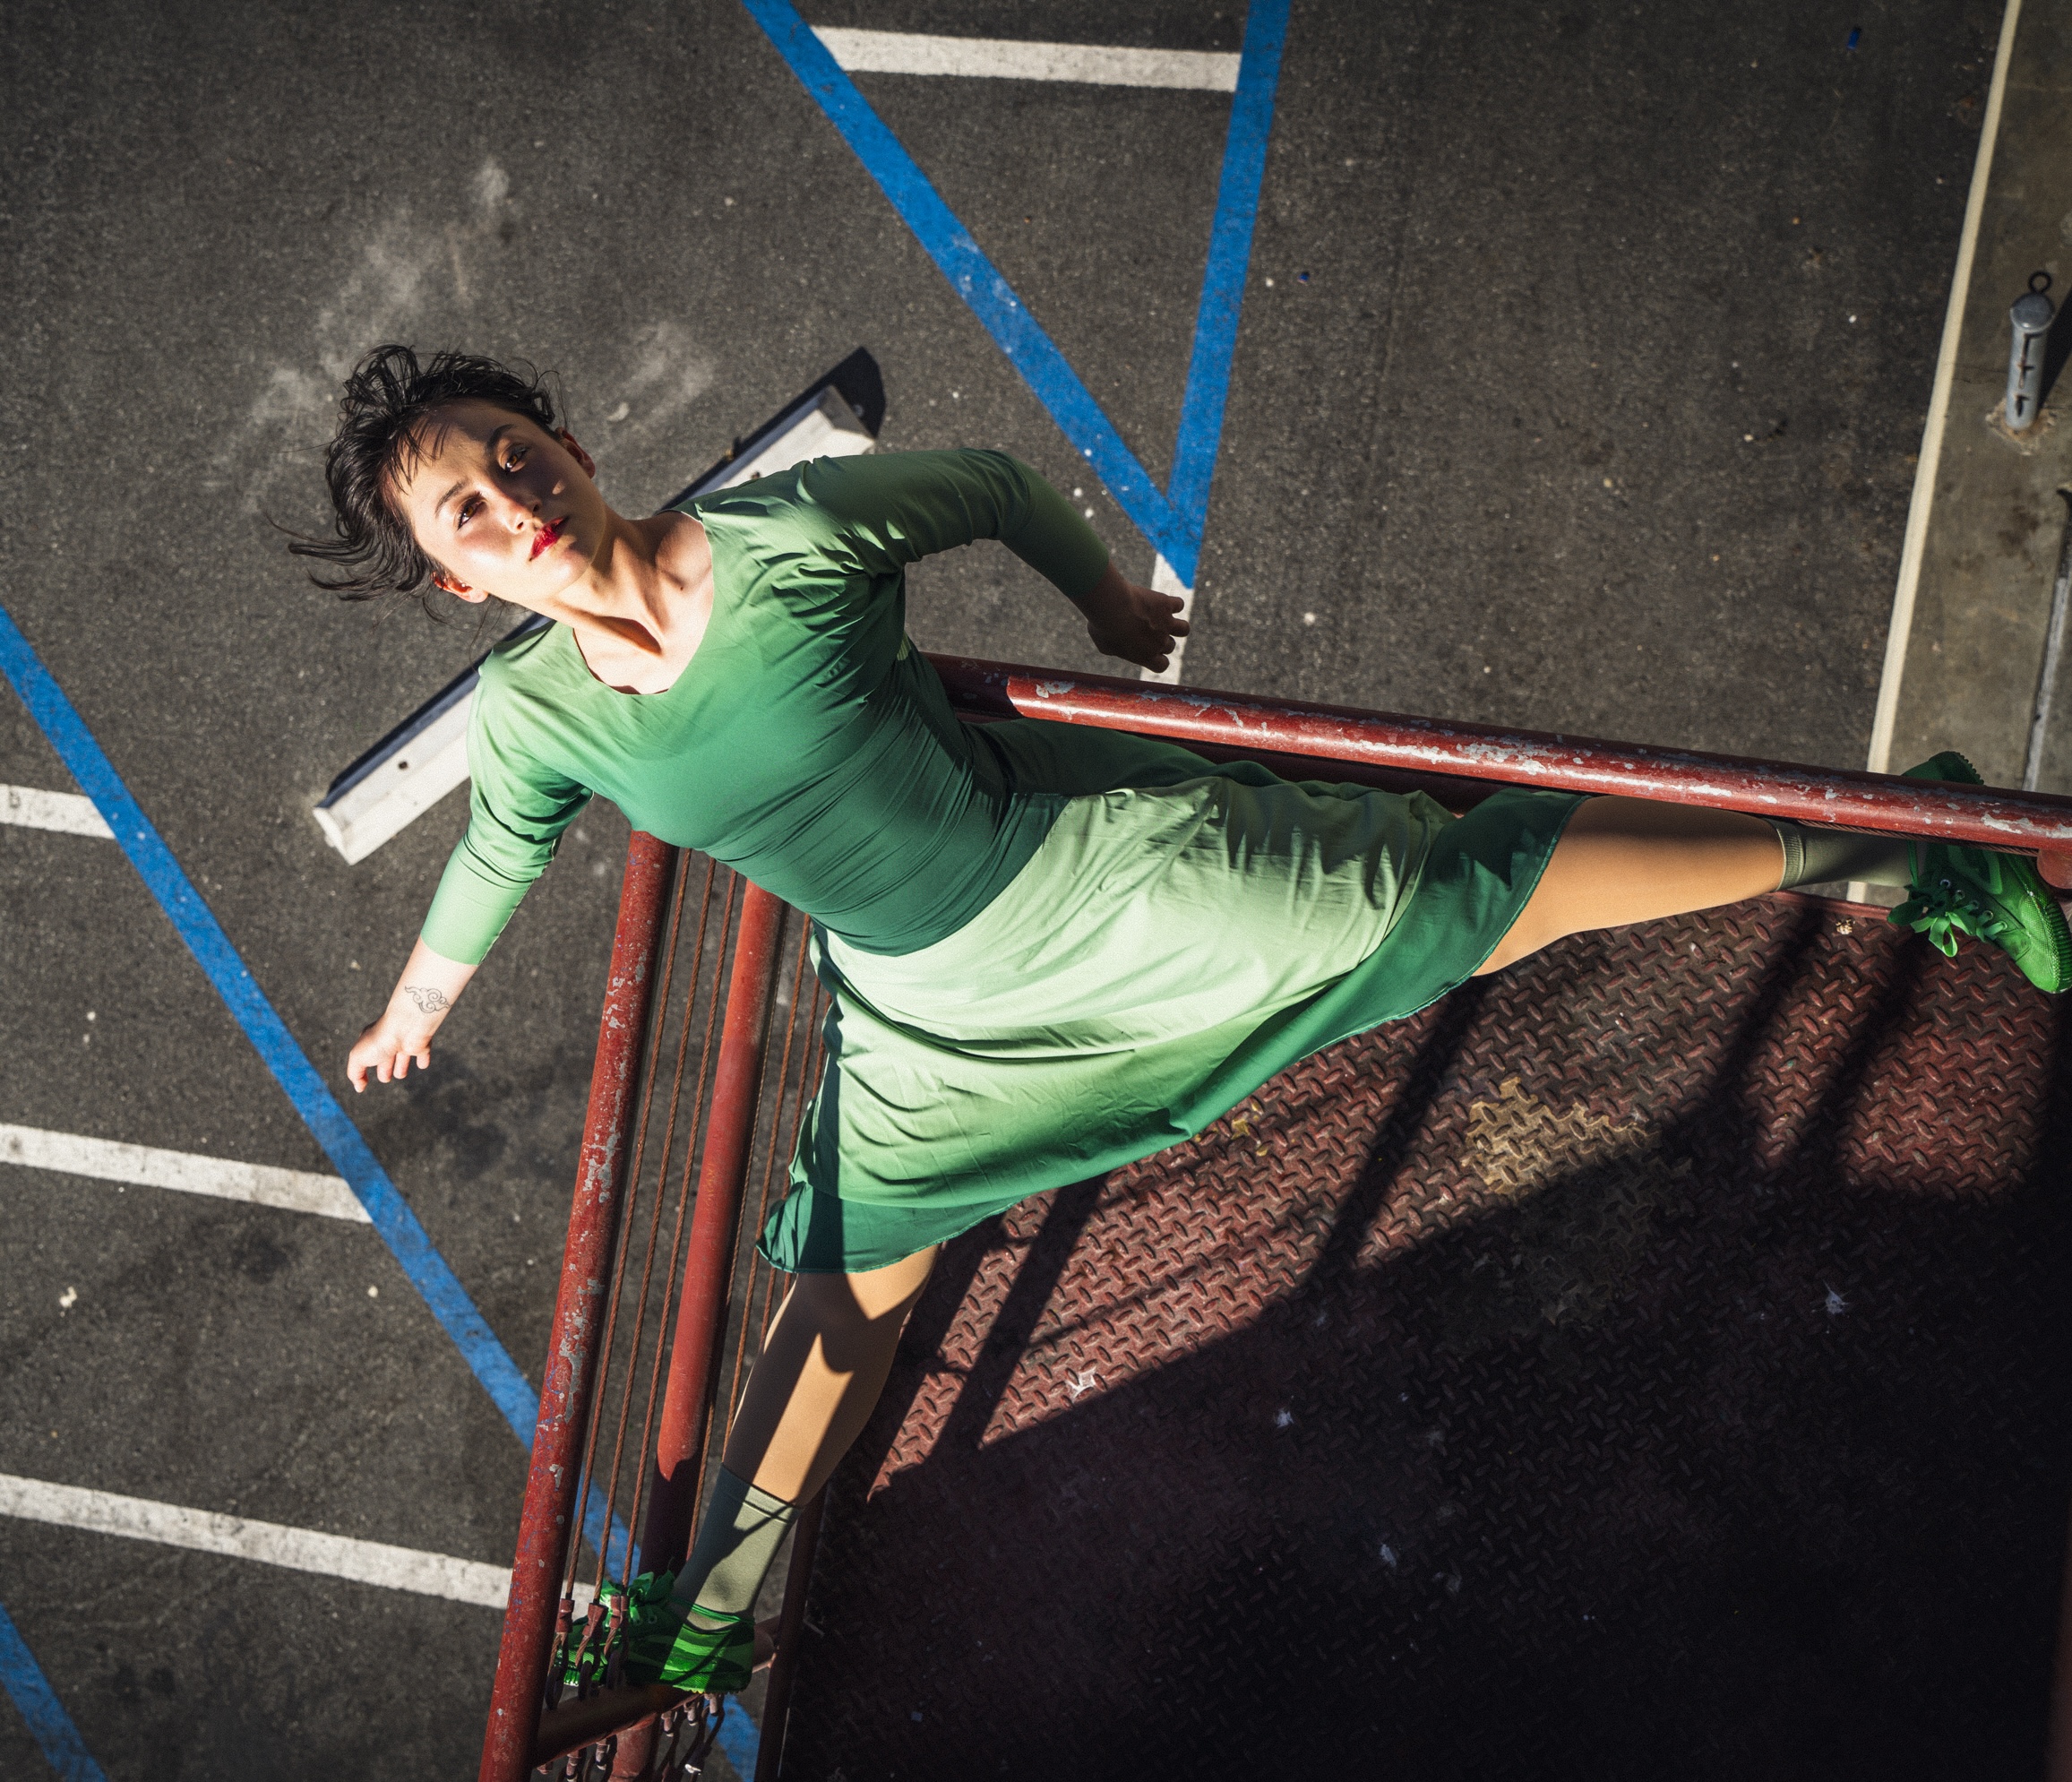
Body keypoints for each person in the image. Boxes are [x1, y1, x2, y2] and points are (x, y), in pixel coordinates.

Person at [300, 345, 2069, 1698]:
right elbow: (492, 856)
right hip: (923, 1013)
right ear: (459, 583)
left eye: (512, 454)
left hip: (1094, 873)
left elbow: (987, 478)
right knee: (850, 1274)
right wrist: (410, 1010)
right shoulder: (538, 713)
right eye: (467, 511)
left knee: (1443, 900)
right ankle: (718, 1617)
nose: (511, 496)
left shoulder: (787, 535)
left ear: (570, 445)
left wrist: (1107, 602)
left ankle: (1891, 837)